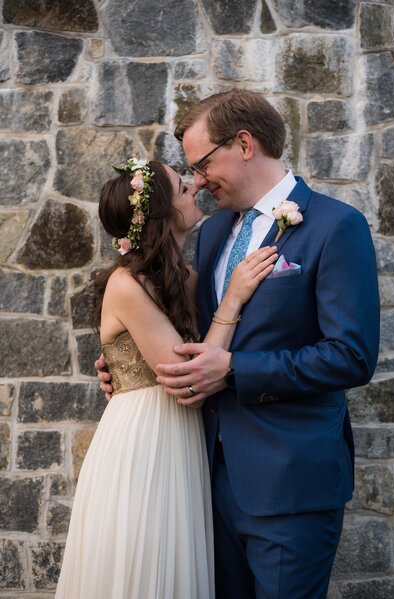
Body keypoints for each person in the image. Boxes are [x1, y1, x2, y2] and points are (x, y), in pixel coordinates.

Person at [151, 89, 381, 598]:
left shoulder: (335, 226)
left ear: (245, 143)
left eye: (203, 163)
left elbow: (352, 355)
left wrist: (234, 370)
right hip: (207, 481)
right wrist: (133, 368)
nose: (198, 181)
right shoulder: (212, 235)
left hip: (290, 485)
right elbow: (196, 336)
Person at [56, 156, 278, 599]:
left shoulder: (188, 278)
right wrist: (233, 298)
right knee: (142, 561)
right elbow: (186, 377)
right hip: (142, 442)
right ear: (161, 214)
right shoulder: (126, 284)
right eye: (181, 189)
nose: (194, 188)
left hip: (183, 439)